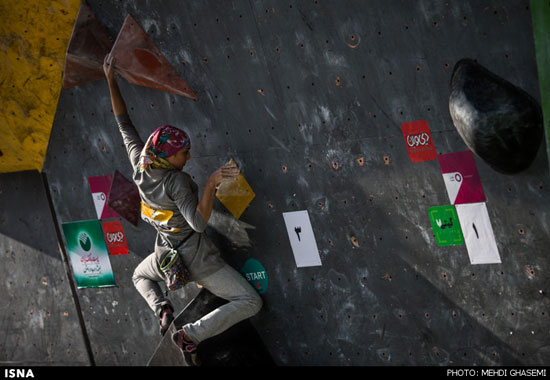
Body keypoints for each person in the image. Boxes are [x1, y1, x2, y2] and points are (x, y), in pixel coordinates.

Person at [103, 54, 263, 366]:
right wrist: (211, 184)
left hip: (166, 259)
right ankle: (191, 334)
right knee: (250, 301)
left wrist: (110, 79)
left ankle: (162, 308)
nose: (188, 157)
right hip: (199, 261)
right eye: (183, 153)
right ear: (168, 155)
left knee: (139, 276)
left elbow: (124, 124)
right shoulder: (175, 182)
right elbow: (198, 223)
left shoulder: (141, 164)